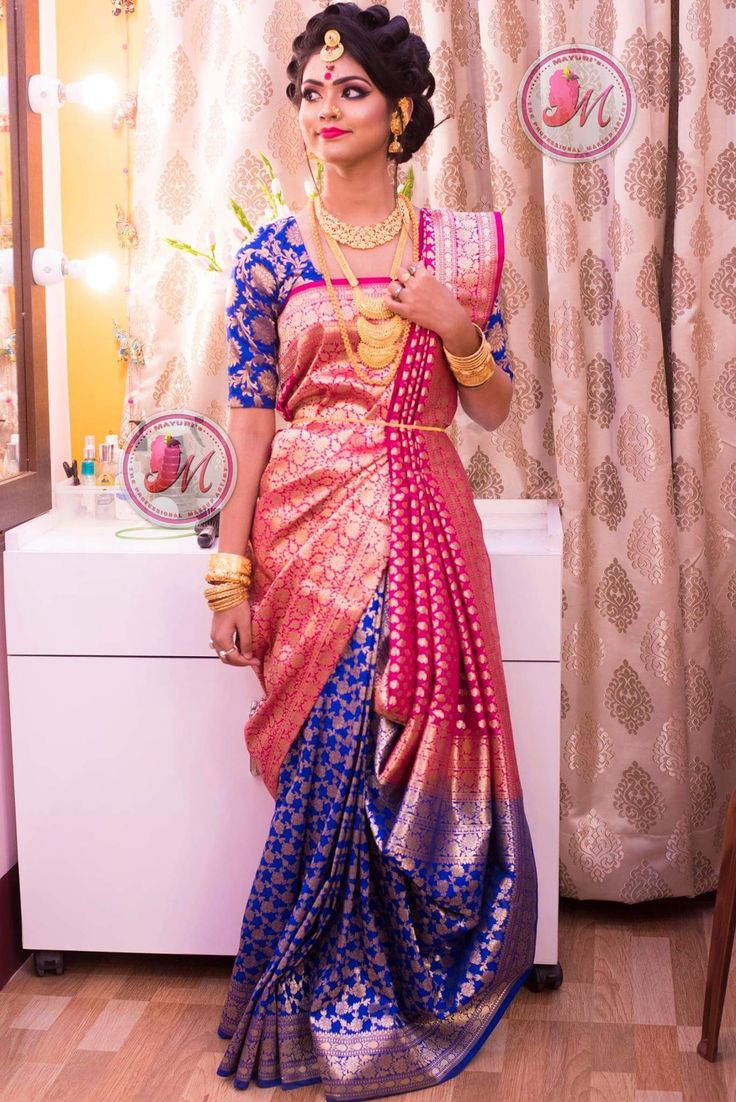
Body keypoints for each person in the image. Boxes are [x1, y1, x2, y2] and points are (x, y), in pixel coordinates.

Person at [208, 4, 538, 1097]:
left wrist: (456, 329)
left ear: (398, 113)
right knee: (327, 752)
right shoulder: (269, 257)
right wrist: (231, 569)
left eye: (349, 90)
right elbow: (250, 423)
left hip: (428, 514)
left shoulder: (462, 249)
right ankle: (307, 993)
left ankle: (402, 982)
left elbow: (490, 413)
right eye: (310, 91)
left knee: (404, 735)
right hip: (302, 530)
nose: (325, 108)